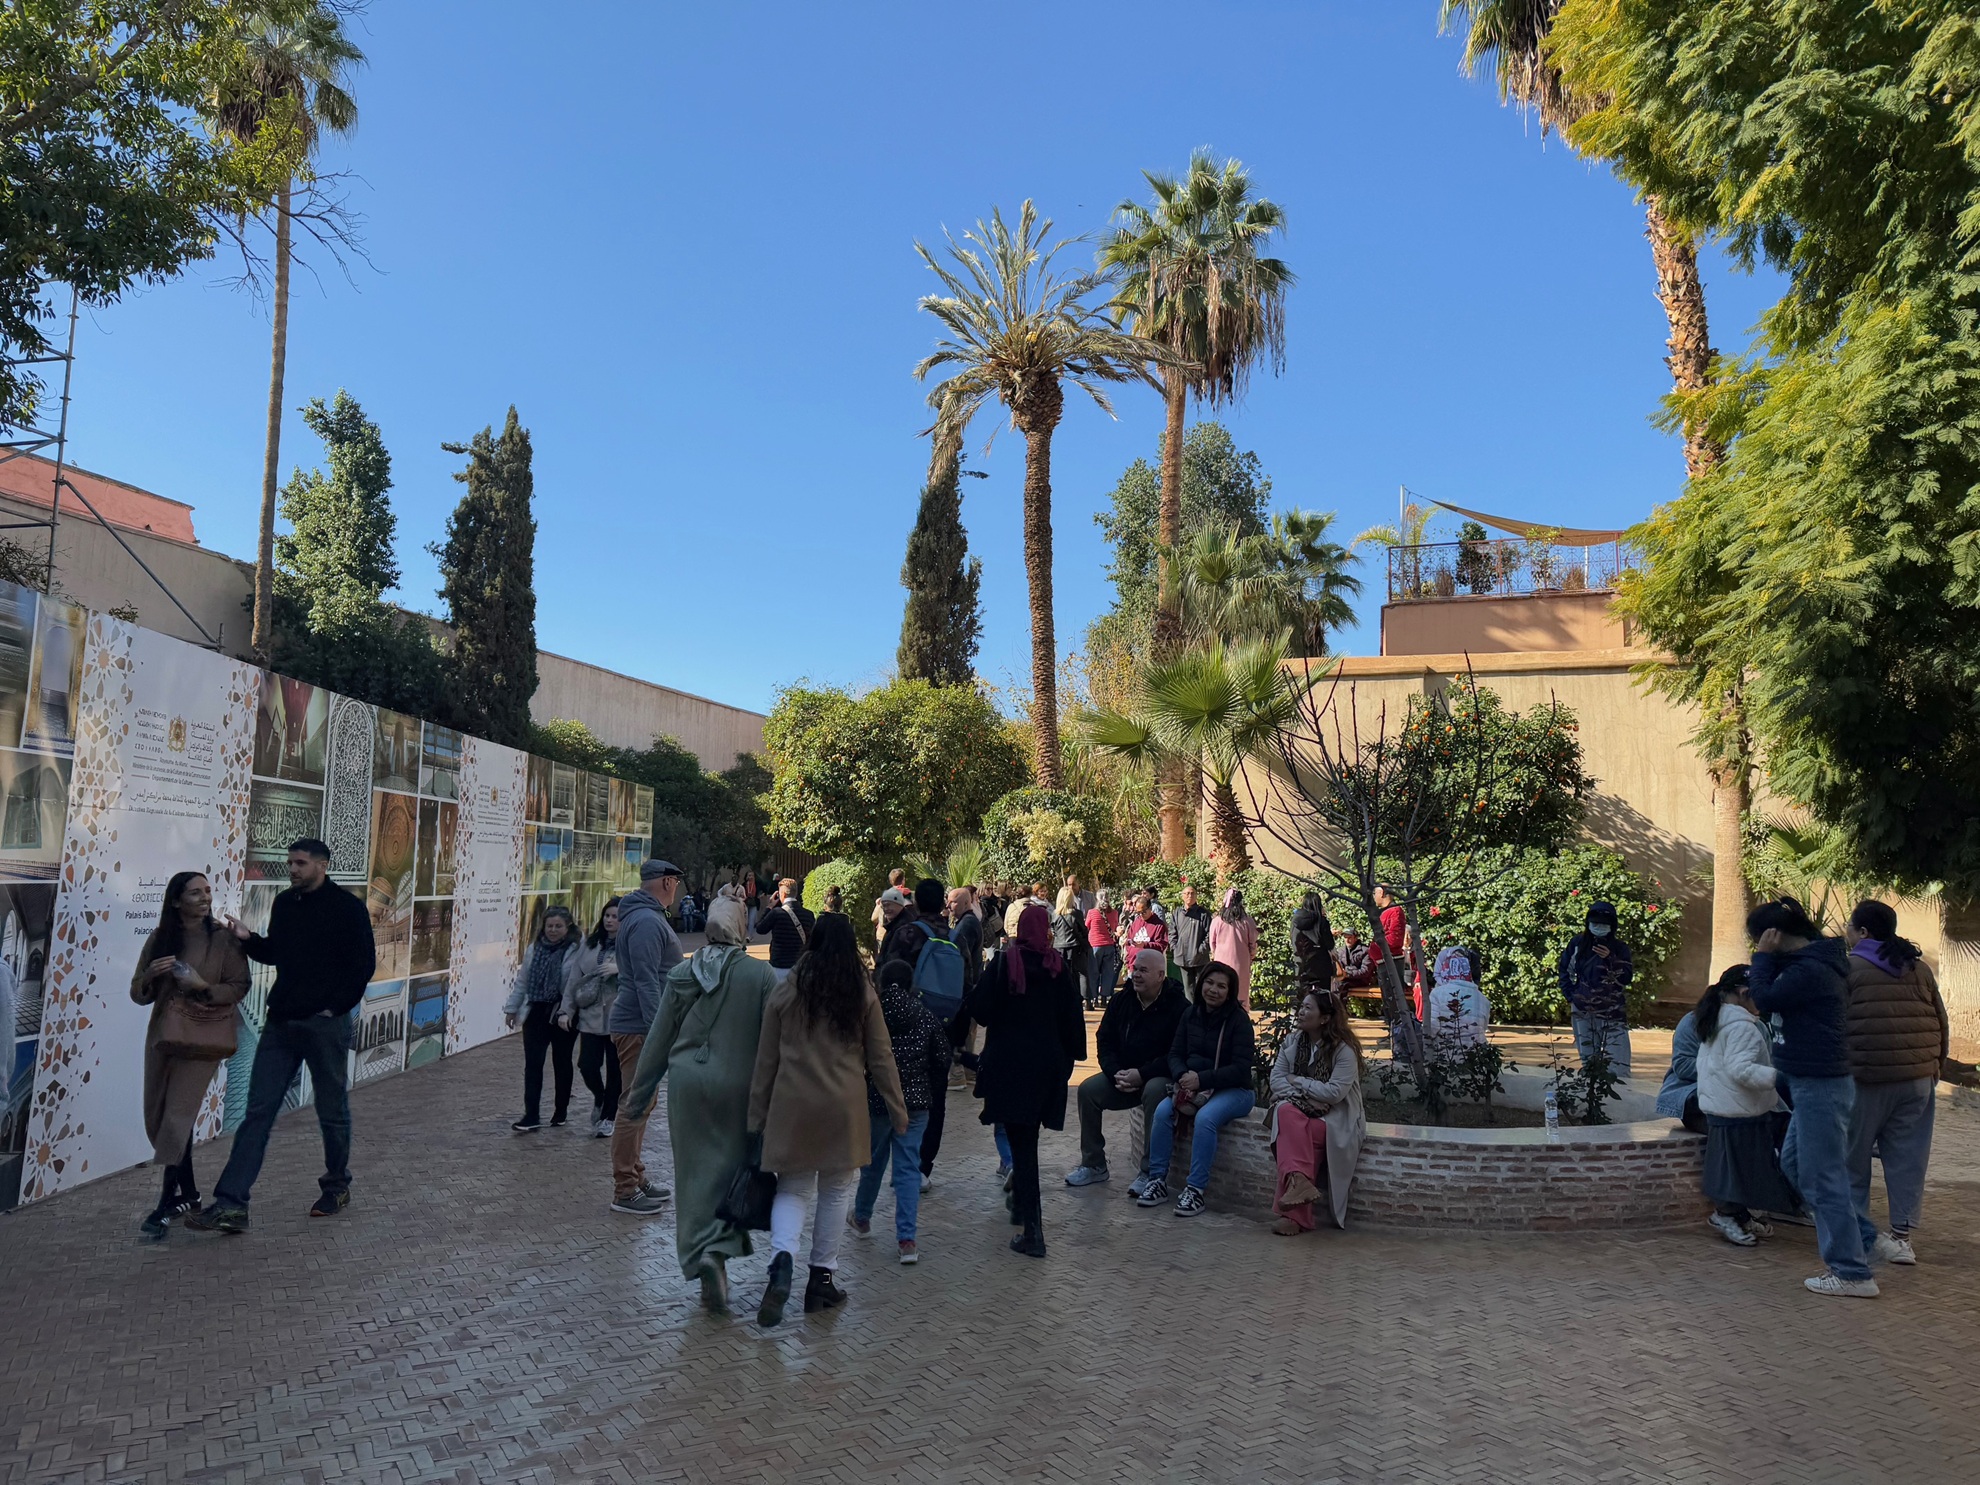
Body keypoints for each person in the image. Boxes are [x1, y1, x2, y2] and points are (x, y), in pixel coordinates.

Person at [188, 840, 374, 1234]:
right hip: (281, 1024)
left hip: (324, 1025)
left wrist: (334, 1007)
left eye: (300, 863)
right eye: (290, 862)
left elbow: (362, 966)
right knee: (258, 1112)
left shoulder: (348, 909)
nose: (292, 869)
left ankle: (337, 1185)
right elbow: (276, 953)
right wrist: (247, 937)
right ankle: (232, 1204)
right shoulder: (286, 904)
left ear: (321, 865)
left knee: (332, 1109)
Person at [621, 891, 776, 1314]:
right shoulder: (760, 977)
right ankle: (718, 1253)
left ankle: (700, 1256)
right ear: (741, 926)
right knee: (729, 1173)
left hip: (687, 1085)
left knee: (692, 1178)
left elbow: (657, 1040)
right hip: (738, 1086)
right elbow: (774, 1040)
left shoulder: (684, 974)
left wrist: (638, 1095)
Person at [748, 913, 907, 1325]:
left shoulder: (788, 989)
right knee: (836, 1192)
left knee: (793, 1188)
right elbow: (881, 1056)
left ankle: (782, 1260)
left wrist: (756, 1115)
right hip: (843, 1106)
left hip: (792, 1103)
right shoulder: (862, 991)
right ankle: (822, 1279)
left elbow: (766, 1060)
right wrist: (896, 1106)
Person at [1749, 897, 1876, 1298]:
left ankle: (1852, 1272)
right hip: (1808, 1082)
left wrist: (1762, 958)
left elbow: (1763, 999)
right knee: (1795, 1165)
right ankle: (1868, 1239)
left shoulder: (1812, 969)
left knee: (1823, 1179)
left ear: (1773, 935)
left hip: (1820, 1083)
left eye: (1760, 940)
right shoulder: (1810, 964)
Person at [130, 870, 251, 1239]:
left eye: (207, 891)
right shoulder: (161, 938)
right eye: (195, 892)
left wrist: (202, 987)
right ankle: (191, 1194)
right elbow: (138, 994)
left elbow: (239, 985)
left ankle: (166, 1202)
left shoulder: (224, 941)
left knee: (176, 1119)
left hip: (203, 1039)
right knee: (158, 1116)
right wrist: (151, 973)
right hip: (165, 1038)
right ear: (176, 900)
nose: (204, 897)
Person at [969, 902, 1085, 1258]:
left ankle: (1033, 1231)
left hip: (1009, 1069)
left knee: (1023, 1150)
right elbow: (1072, 1025)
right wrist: (1066, 1064)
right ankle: (1024, 1214)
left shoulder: (1005, 964)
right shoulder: (1057, 967)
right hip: (1045, 1070)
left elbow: (980, 1011)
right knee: (1026, 1145)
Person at [1843, 900, 1949, 1267]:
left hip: (1866, 1080)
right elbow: (1940, 1017)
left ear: (1864, 933)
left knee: (1852, 1159)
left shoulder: (1850, 968)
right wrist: (1936, 1065)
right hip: (1917, 1079)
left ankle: (1856, 1236)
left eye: (1850, 926)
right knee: (1908, 1159)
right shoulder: (1917, 968)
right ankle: (1901, 1239)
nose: (1846, 931)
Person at [849, 958, 951, 1263]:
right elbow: (942, 1057)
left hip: (879, 1099)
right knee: (908, 1169)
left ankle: (862, 1217)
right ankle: (907, 1240)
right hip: (917, 1103)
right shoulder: (925, 1014)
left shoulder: (872, 1013)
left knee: (873, 1162)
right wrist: (930, 1089)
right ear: (911, 983)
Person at [1139, 961, 1255, 1217]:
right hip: (1192, 1086)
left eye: (1221, 986)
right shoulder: (1190, 1014)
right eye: (1210, 983)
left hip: (1235, 1090)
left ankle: (1195, 1190)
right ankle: (1157, 1180)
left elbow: (1241, 1068)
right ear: (1201, 983)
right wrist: (1182, 1076)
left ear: (1230, 991)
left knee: (1205, 1119)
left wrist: (1201, 1080)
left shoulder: (1239, 1021)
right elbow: (1175, 1053)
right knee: (1162, 1112)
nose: (1213, 990)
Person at [1064, 947, 1184, 1192]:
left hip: (1157, 1077)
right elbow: (1104, 1039)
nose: (1136, 975)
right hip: (1122, 1076)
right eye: (1135, 969)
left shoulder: (1179, 1007)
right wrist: (1114, 1072)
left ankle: (1148, 1172)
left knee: (1154, 1091)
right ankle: (1094, 1164)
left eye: (1144, 970)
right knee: (1087, 1091)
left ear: (1161, 975)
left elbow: (1177, 1053)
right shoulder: (1122, 999)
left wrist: (1142, 1074)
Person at [1693, 963, 1796, 1246]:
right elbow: (1741, 1070)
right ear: (1743, 993)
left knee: (1741, 1169)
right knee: (1735, 1171)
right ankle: (1725, 1214)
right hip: (1736, 1109)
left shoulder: (1717, 1019)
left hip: (1726, 1106)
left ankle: (1739, 1214)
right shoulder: (1741, 1027)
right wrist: (1781, 1077)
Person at [604, 860, 685, 1216]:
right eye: (676, 885)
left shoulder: (644, 917)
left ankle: (635, 1178)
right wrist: (658, 1031)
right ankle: (625, 1189)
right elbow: (645, 982)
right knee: (634, 1106)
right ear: (668, 882)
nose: (677, 892)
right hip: (639, 1028)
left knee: (643, 1104)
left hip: (641, 1026)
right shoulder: (647, 922)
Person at [1267, 988, 1366, 1235]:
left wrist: (1297, 1081)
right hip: (1302, 1112)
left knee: (1289, 1120)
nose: (1301, 1011)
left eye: (1308, 1008)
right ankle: (1299, 1186)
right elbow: (1276, 1080)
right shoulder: (1292, 1042)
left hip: (1337, 1118)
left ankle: (1294, 1215)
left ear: (1325, 1018)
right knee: (1290, 1115)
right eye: (1301, 1006)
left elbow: (1334, 1094)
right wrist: (1307, 1095)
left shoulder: (1344, 1050)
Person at [503, 906, 580, 1132]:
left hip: (562, 1012)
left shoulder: (576, 951)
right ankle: (532, 1115)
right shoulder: (533, 949)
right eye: (550, 926)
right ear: (543, 927)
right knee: (533, 1064)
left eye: (558, 926)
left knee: (562, 1062)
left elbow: (575, 984)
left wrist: (568, 1011)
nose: (553, 930)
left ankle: (560, 1110)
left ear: (568, 928)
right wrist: (512, 1008)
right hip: (536, 1010)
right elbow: (523, 982)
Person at [558, 898, 622, 1138]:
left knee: (616, 1069)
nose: (610, 920)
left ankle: (609, 1116)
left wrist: (620, 968)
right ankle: (600, 1095)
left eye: (615, 916)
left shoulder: (630, 945)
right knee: (587, 1064)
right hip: (591, 1016)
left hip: (618, 1016)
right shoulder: (591, 944)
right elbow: (575, 979)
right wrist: (566, 1011)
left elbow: (644, 972)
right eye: (607, 915)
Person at [1557, 899, 1634, 1076]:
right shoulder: (1577, 944)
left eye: (1604, 924)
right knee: (1589, 1062)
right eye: (1595, 923)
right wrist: (1573, 996)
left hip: (1612, 1013)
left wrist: (1611, 958)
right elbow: (1564, 971)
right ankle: (1590, 1099)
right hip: (1583, 1011)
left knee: (1619, 1066)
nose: (1599, 927)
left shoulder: (1620, 948)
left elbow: (1626, 977)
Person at [1656, 987, 1706, 1134]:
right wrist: (1724, 1071)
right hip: (1695, 1091)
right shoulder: (1693, 1021)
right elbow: (1683, 1065)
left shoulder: (1758, 1025)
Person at [1425, 945, 1488, 1050]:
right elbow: (1483, 1028)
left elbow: (1431, 1029)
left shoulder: (1436, 994)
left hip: (1445, 1053)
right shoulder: (1483, 999)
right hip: (1476, 1054)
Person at [755, 877, 814, 985]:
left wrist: (769, 906)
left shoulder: (776, 913)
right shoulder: (808, 915)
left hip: (779, 965)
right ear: (795, 893)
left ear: (782, 894)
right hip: (799, 966)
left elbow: (760, 929)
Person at [1207, 889, 1260, 1010]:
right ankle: (1240, 1015)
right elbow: (1253, 943)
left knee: (1221, 987)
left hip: (1220, 961)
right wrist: (1250, 956)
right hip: (1241, 962)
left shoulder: (1217, 921)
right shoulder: (1248, 921)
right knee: (1240, 990)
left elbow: (1212, 943)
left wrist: (1217, 954)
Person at [1171, 884, 1214, 1001]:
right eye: (1187, 893)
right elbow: (1172, 931)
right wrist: (1175, 947)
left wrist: (1201, 950)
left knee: (1201, 987)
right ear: (1182, 896)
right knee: (1187, 988)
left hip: (1199, 958)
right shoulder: (1177, 913)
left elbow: (1209, 934)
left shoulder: (1204, 914)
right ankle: (1191, 1012)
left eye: (1192, 893)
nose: (1190, 895)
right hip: (1182, 957)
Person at [1084, 888, 1122, 1012]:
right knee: (1107, 973)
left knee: (1093, 973)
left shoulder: (1091, 913)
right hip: (1109, 945)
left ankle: (1094, 998)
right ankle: (1104, 998)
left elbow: (1086, 927)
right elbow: (1116, 928)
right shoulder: (1115, 913)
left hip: (1094, 945)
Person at [1291, 891, 1335, 995]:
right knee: (1322, 1001)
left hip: (1301, 965)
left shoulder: (1295, 922)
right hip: (1321, 968)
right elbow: (1330, 944)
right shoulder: (1321, 921)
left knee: (1303, 1001)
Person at [1122, 891, 1169, 961]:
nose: (1141, 915)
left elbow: (1161, 946)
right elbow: (1129, 941)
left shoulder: (1159, 925)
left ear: (1150, 908)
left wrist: (1145, 945)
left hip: (1150, 965)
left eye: (1143, 912)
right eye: (1138, 913)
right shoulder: (1136, 922)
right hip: (1134, 964)